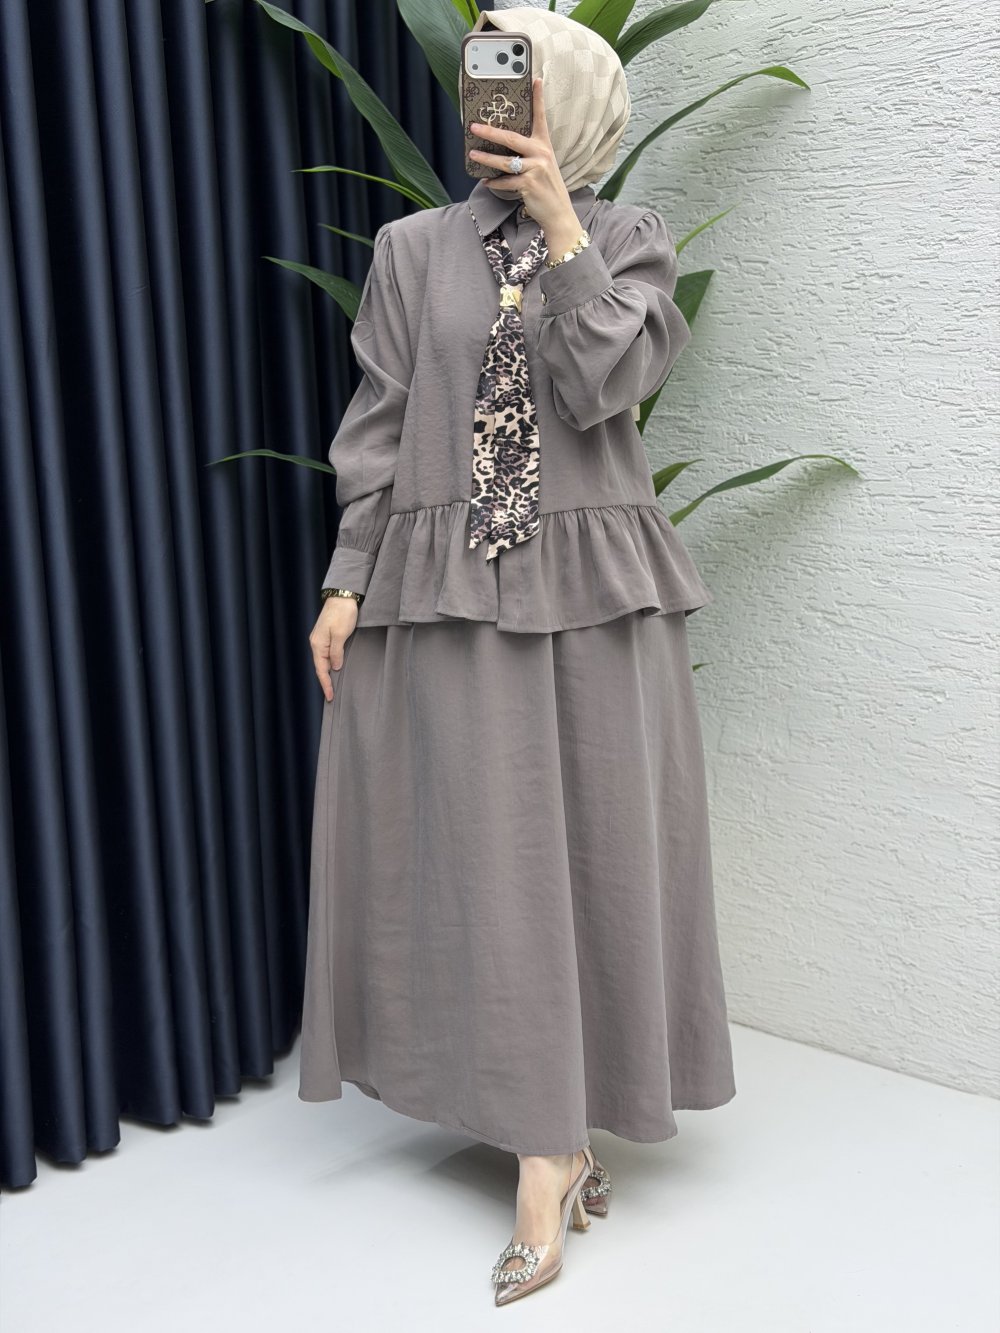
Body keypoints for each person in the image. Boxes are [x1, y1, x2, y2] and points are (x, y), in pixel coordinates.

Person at [300, 7, 736, 1307]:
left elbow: (606, 383)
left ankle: (553, 1150)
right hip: (446, 591)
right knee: (485, 864)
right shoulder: (410, 250)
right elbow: (380, 423)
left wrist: (559, 228)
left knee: (593, 854)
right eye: (488, 83)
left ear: (576, 107)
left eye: (525, 85)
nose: (492, 108)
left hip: (594, 598)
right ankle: (545, 1125)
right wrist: (346, 580)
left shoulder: (628, 239)